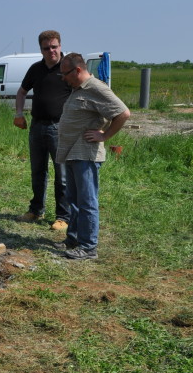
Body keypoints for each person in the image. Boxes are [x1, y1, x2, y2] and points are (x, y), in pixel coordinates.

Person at [55, 52, 130, 260]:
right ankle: (74, 239)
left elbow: (123, 113)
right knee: (73, 199)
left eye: (65, 74)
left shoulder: (96, 88)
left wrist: (104, 135)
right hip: (71, 153)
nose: (63, 78)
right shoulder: (77, 88)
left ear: (78, 70)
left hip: (85, 154)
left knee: (87, 201)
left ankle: (88, 247)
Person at [14, 30, 71, 231]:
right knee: (38, 171)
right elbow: (22, 92)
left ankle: (63, 216)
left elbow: (82, 93)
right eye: (47, 48)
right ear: (41, 50)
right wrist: (19, 113)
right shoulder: (35, 69)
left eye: (54, 47)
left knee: (62, 175)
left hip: (61, 128)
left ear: (60, 46)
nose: (51, 51)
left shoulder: (68, 69)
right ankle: (36, 210)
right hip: (37, 126)